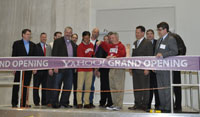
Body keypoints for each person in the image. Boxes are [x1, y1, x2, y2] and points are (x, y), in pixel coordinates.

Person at [128, 26, 153, 112]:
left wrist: (147, 68)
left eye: (138, 32)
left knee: (145, 87)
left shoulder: (148, 42)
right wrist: (131, 67)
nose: (136, 34)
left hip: (144, 69)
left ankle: (145, 105)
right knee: (136, 87)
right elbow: (133, 56)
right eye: (136, 32)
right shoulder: (135, 43)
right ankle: (137, 103)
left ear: (143, 33)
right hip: (135, 69)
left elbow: (150, 56)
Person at [99, 32, 126, 111]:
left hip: (119, 69)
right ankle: (114, 103)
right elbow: (105, 46)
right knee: (112, 87)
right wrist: (101, 42)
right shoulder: (111, 46)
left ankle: (119, 104)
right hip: (111, 68)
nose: (111, 39)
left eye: (113, 38)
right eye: (110, 38)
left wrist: (114, 57)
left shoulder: (121, 46)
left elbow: (123, 54)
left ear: (117, 38)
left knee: (118, 87)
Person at [155, 22, 178, 113]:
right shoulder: (159, 40)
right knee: (160, 88)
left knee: (167, 88)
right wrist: (154, 65)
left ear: (165, 29)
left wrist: (163, 54)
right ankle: (163, 106)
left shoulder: (171, 39)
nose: (158, 32)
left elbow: (175, 51)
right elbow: (155, 54)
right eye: (158, 30)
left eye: (160, 30)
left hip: (167, 68)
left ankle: (168, 107)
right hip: (159, 68)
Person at [51, 27, 77, 108]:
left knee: (68, 86)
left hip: (70, 69)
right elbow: (54, 54)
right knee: (56, 86)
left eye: (70, 32)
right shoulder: (58, 41)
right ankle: (55, 103)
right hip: (59, 68)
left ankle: (64, 103)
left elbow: (75, 56)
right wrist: (55, 66)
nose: (68, 34)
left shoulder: (73, 44)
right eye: (67, 32)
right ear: (64, 32)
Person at [11, 29, 37, 107]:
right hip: (18, 68)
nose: (29, 36)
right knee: (16, 86)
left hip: (28, 69)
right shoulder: (17, 43)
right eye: (27, 34)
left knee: (26, 86)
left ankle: (23, 103)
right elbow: (13, 56)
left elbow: (35, 58)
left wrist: (34, 68)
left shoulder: (33, 45)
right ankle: (14, 102)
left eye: (30, 34)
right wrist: (13, 68)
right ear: (23, 35)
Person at [76, 31, 94, 109]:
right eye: (85, 38)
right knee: (80, 86)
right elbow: (81, 58)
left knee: (88, 86)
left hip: (90, 69)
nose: (87, 39)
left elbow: (93, 56)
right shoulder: (80, 46)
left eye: (88, 38)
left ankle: (87, 102)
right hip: (81, 69)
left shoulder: (92, 45)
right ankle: (79, 102)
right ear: (83, 37)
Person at [169, 32, 186, 112]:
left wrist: (177, 60)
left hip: (175, 64)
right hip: (168, 65)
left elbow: (182, 49)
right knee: (169, 87)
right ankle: (172, 105)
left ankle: (178, 106)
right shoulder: (164, 38)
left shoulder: (174, 37)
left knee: (176, 86)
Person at [33, 33, 51, 106]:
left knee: (45, 87)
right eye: (43, 37)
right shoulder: (35, 46)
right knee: (36, 87)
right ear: (40, 38)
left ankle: (44, 102)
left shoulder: (48, 47)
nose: (44, 38)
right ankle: (36, 102)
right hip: (37, 70)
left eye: (45, 37)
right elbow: (33, 58)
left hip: (46, 71)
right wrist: (34, 68)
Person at [95, 35, 113, 108]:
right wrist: (97, 69)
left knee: (109, 86)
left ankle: (109, 102)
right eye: (104, 39)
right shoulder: (100, 48)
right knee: (103, 86)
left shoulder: (111, 48)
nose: (106, 40)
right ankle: (102, 102)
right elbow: (98, 59)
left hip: (110, 69)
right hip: (103, 69)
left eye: (107, 39)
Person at [146, 29, 160, 110]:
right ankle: (148, 105)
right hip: (148, 69)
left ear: (154, 34)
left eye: (151, 34)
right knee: (149, 88)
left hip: (156, 69)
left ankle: (157, 105)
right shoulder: (144, 43)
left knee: (157, 88)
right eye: (148, 34)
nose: (149, 35)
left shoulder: (157, 42)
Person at [89, 28, 100, 108]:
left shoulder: (99, 43)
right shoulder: (86, 41)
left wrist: (97, 68)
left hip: (93, 67)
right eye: (94, 32)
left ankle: (90, 101)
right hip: (85, 67)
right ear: (92, 33)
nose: (95, 33)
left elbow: (99, 57)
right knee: (83, 85)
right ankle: (82, 101)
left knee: (91, 85)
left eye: (97, 32)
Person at [70, 33, 79, 107]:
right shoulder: (67, 46)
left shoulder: (78, 47)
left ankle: (75, 102)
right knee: (67, 86)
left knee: (76, 87)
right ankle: (65, 102)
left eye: (76, 38)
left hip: (75, 70)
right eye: (73, 37)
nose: (74, 39)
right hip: (67, 69)